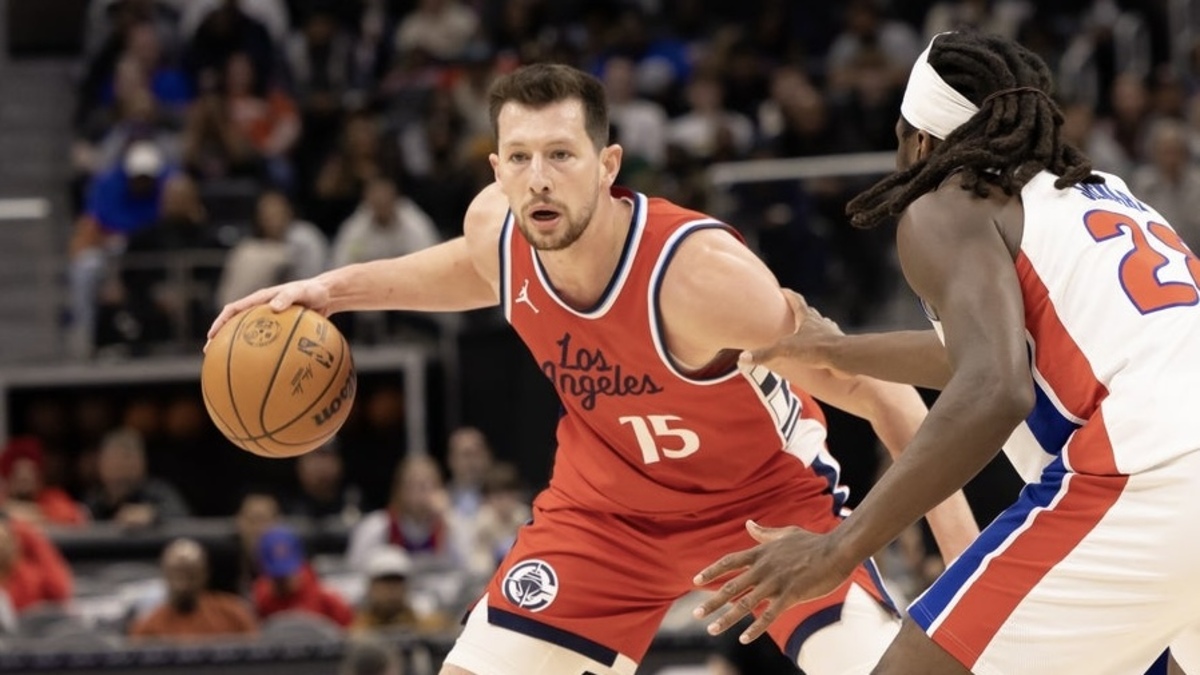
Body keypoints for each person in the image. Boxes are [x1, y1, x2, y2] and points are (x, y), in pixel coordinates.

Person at [209, 63, 979, 675]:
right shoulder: (501, 229)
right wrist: (329, 290)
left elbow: (885, 394)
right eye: (520, 159)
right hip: (605, 515)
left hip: (762, 510)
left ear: (607, 164)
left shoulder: (701, 278)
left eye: (560, 155)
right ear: (497, 169)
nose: (538, 177)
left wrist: (961, 583)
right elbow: (470, 270)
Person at [692, 31, 1200, 675]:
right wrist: (842, 353)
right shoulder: (1098, 191)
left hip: (1147, 469)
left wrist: (838, 549)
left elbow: (996, 386)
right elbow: (1000, 354)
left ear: (922, 142)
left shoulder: (946, 203)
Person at [129, 538, 259, 640]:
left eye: (190, 573)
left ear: (204, 574)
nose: (184, 582)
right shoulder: (148, 627)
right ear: (165, 574)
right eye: (177, 572)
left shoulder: (234, 615)